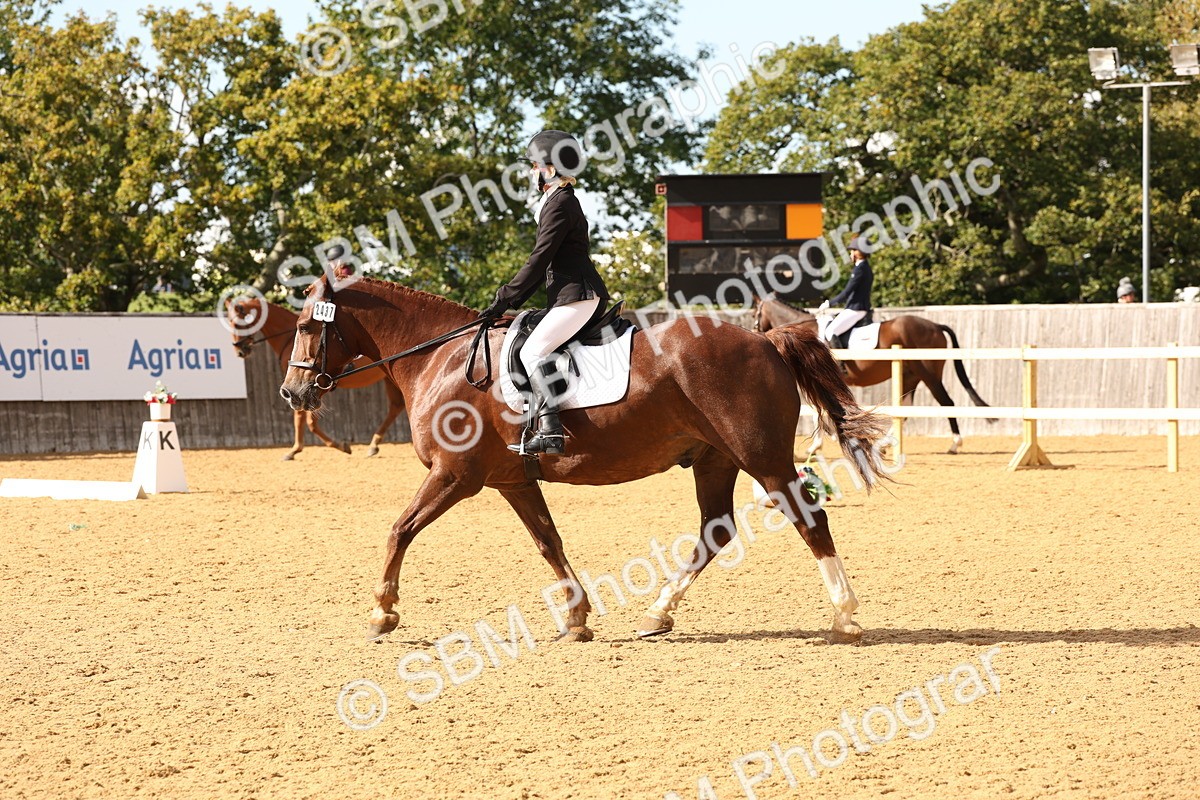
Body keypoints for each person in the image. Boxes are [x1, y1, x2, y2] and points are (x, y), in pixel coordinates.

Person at [479, 130, 611, 455]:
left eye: (535, 166)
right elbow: (544, 264)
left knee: (533, 352)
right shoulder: (557, 201)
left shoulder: (560, 203)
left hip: (578, 295)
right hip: (570, 295)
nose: (531, 171)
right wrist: (510, 300)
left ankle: (551, 431)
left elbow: (539, 259)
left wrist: (504, 298)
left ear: (549, 169)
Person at [819, 236, 874, 347]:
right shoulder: (866, 267)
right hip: (861, 308)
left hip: (856, 309)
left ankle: (839, 358)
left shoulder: (859, 269)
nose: (851, 253)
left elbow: (846, 292)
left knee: (830, 332)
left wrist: (829, 303)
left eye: (853, 250)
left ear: (859, 253)